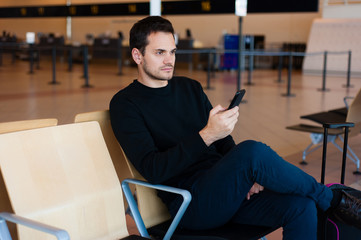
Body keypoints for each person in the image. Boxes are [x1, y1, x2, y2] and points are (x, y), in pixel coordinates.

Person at [110, 16, 361, 240]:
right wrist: (206, 135)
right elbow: (154, 169)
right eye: (160, 52)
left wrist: (243, 178)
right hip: (190, 204)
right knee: (251, 152)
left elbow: (223, 143)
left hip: (227, 191)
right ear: (137, 55)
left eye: (173, 52)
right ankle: (335, 201)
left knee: (301, 206)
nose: (169, 60)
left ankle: (329, 200)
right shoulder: (125, 104)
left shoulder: (190, 87)